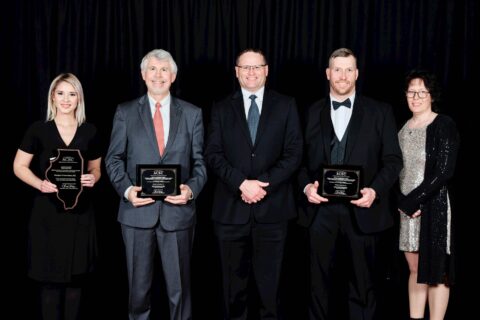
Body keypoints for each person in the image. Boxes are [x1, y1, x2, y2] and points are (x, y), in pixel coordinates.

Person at [297, 48, 403, 320]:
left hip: (364, 210)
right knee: (317, 286)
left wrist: (375, 191)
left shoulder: (380, 111)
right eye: (337, 69)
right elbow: (298, 161)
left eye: (348, 70)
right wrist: (307, 187)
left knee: (364, 285)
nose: (342, 76)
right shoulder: (311, 111)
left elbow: (392, 161)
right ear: (327, 73)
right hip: (320, 212)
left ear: (356, 74)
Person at [105, 49, 207, 320]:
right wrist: (127, 191)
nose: (158, 75)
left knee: (180, 291)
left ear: (173, 76)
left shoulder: (192, 113)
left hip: (178, 213)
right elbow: (113, 158)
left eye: (164, 70)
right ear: (143, 74)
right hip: (137, 213)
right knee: (138, 293)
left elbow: (200, 163)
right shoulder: (125, 112)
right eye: (153, 69)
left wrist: (190, 189)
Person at [205, 48, 303, 319]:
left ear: (266, 70)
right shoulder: (221, 107)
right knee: (232, 288)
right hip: (230, 212)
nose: (251, 72)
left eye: (256, 67)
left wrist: (262, 184)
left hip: (273, 211)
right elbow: (212, 153)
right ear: (236, 72)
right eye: (245, 67)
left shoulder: (286, 105)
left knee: (270, 289)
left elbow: (294, 152)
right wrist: (240, 183)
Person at [13, 73, 101, 320]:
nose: (66, 99)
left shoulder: (90, 130)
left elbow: (96, 169)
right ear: (52, 96)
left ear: (79, 98)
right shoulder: (38, 129)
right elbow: (19, 166)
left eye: (72, 94)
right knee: (49, 284)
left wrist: (93, 178)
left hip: (80, 216)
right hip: (47, 216)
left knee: (75, 284)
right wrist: (39, 183)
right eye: (61, 93)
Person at [397, 70, 459, 320]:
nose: (416, 96)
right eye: (412, 92)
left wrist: (414, 200)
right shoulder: (403, 128)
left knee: (437, 269)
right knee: (414, 268)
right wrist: (403, 203)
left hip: (432, 205)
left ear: (431, 96)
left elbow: (444, 170)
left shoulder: (443, 124)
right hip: (406, 209)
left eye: (422, 92)